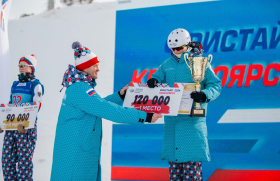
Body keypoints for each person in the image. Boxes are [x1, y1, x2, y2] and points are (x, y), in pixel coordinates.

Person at [50, 42, 162, 181]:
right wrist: (144, 116)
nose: (98, 69)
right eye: (95, 65)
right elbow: (105, 109)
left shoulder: (79, 87)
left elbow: (95, 106)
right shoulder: (80, 88)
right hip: (75, 158)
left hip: (77, 154)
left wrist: (120, 95)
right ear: (85, 67)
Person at [147, 28, 221, 181]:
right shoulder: (167, 64)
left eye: (179, 48)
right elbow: (157, 77)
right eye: (172, 48)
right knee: (175, 174)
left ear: (187, 45)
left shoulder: (199, 62)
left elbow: (215, 85)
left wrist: (204, 95)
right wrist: (153, 81)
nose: (176, 51)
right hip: (172, 124)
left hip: (192, 123)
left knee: (191, 173)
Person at [0, 54, 44, 181]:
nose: (21, 68)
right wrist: (2, 120)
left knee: (24, 160)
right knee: (7, 159)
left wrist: (21, 109)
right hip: (12, 126)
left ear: (31, 68)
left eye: (24, 66)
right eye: (20, 66)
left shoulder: (35, 84)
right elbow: (10, 104)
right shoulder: (15, 84)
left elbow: (37, 105)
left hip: (25, 127)